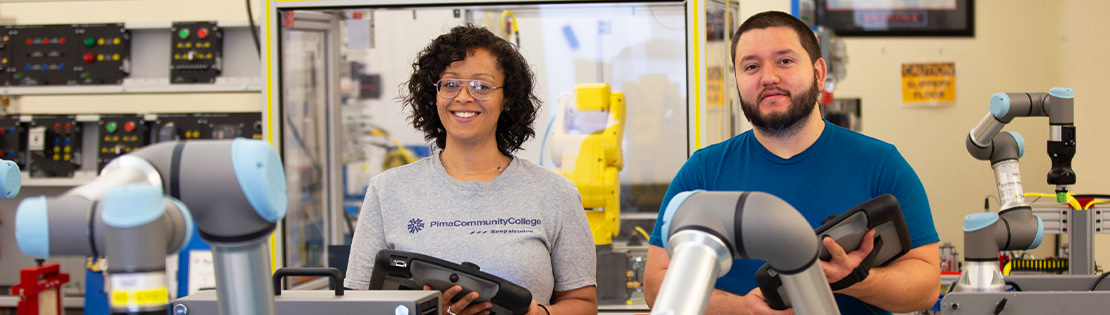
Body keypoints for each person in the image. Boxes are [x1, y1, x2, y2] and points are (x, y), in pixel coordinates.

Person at [643, 11, 940, 315]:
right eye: (751, 66)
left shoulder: (880, 164)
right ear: (737, 81)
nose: (768, 77)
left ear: (819, 72)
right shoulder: (703, 171)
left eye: (784, 61)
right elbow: (656, 284)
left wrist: (855, 279)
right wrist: (741, 309)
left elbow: (926, 286)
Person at [344, 24, 598, 315]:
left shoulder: (555, 194)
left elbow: (584, 305)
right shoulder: (387, 191)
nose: (463, 97)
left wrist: (537, 314)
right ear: (434, 95)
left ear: (507, 99)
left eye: (481, 86)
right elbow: (357, 305)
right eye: (450, 84)